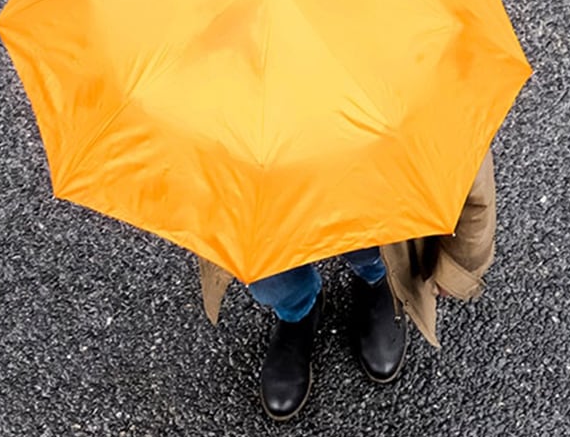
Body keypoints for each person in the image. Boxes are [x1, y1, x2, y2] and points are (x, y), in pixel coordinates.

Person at [197, 151, 499, 420]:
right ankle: (299, 308)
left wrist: (461, 264)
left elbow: (465, 163)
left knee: (370, 238)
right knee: (269, 273)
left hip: (367, 175)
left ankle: (375, 277)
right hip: (257, 182)